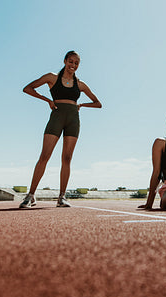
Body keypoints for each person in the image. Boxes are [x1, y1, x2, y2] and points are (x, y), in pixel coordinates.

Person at [19, 50, 101, 208]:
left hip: (73, 120)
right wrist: (47, 100)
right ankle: (31, 195)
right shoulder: (52, 77)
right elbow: (28, 88)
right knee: (45, 156)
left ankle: (61, 197)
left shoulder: (81, 84)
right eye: (71, 61)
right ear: (64, 61)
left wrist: (82, 105)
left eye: (76, 63)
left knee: (67, 158)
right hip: (56, 117)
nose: (73, 65)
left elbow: (98, 103)